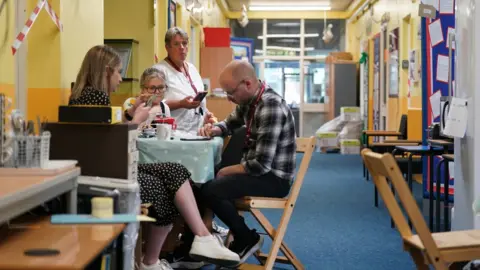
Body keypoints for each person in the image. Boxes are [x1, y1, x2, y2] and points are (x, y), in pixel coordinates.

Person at [69, 45, 240, 270]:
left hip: (106, 170)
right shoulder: (95, 97)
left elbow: (103, 136)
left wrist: (130, 115)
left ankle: (199, 237)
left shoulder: (84, 96)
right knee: (165, 184)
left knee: (176, 171)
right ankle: (158, 257)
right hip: (106, 175)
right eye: (119, 72)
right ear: (106, 70)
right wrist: (135, 122)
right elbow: (110, 145)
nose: (120, 79)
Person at [197, 60, 297, 265]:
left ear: (248, 84)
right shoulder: (250, 101)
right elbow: (229, 123)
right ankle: (202, 237)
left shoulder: (270, 106)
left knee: (211, 189)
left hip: (273, 178)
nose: (229, 98)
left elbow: (260, 165)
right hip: (258, 169)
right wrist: (215, 129)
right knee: (200, 180)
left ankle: (245, 237)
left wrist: (226, 171)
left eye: (231, 93)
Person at [153, 27, 216, 135]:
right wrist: (180, 104)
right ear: (167, 47)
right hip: (174, 133)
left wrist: (206, 114)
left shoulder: (192, 68)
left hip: (198, 131)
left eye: (184, 43)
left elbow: (197, 97)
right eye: (176, 44)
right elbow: (153, 104)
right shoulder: (158, 71)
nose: (182, 47)